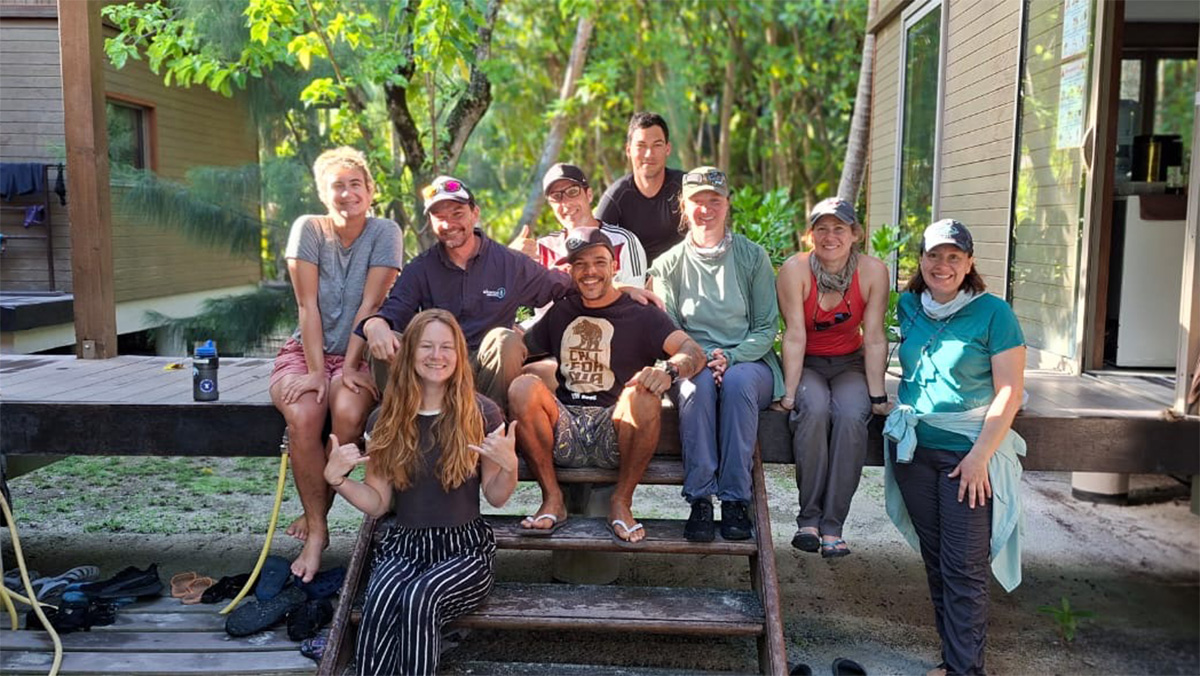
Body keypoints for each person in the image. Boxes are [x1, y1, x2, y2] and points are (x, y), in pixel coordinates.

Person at [361, 175, 660, 414]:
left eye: (457, 213)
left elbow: (569, 283)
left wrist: (622, 288)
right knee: (386, 340)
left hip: (487, 371)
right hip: (437, 364)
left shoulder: (509, 263)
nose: (449, 223)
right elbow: (394, 312)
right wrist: (375, 325)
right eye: (440, 216)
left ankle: (492, 426)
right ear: (431, 222)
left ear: (475, 213)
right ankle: (402, 428)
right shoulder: (420, 268)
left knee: (505, 339)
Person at [325, 309, 518, 676]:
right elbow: (378, 502)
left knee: (420, 598)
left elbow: (497, 496)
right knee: (380, 599)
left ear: (459, 355)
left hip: (463, 550)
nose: (437, 355)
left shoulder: (483, 413)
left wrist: (509, 464)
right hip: (405, 546)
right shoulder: (385, 418)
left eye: (447, 347)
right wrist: (338, 480)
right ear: (410, 352)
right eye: (427, 345)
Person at [883, 219, 1026, 676]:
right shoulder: (908, 306)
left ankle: (968, 669)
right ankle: (953, 662)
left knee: (964, 566)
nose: (942, 265)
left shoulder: (994, 313)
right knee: (937, 559)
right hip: (913, 451)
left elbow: (1010, 391)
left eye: (953, 257)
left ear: (969, 264)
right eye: (933, 255)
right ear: (920, 260)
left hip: (968, 453)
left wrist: (980, 456)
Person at [508, 228, 705, 543]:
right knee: (522, 387)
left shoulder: (642, 314)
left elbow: (693, 352)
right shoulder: (562, 310)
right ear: (570, 271)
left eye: (599, 262)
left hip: (613, 430)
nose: (590, 272)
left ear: (615, 265)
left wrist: (669, 369)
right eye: (580, 264)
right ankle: (552, 499)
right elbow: (520, 346)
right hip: (563, 428)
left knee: (642, 394)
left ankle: (621, 502)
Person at [270, 146, 402, 582]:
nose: (347, 194)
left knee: (346, 411)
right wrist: (314, 371)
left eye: (355, 184)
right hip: (303, 351)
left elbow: (373, 302)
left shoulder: (385, 232)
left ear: (371, 190)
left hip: (357, 352)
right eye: (337, 186)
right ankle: (318, 530)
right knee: (305, 413)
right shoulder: (308, 229)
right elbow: (306, 306)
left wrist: (347, 366)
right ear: (325, 195)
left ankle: (316, 513)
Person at [648, 167, 784, 542]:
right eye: (697, 201)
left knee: (738, 384)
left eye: (715, 201)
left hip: (749, 362)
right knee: (696, 388)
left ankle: (737, 500)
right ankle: (701, 499)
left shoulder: (752, 258)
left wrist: (732, 357)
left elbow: (766, 327)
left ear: (727, 205)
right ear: (683, 206)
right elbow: (668, 330)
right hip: (691, 362)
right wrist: (705, 358)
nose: (705, 209)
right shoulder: (668, 265)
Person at [776, 197, 891, 558]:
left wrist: (877, 396)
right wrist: (789, 394)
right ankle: (808, 519)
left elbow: (873, 336)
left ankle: (833, 525)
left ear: (855, 234)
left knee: (851, 416)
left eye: (839, 228)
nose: (830, 236)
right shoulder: (794, 270)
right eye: (821, 228)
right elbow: (794, 335)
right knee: (813, 410)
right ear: (809, 235)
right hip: (806, 362)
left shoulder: (873, 271)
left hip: (849, 363)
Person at [595, 112, 685, 263]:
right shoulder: (616, 197)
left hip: (682, 279)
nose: (649, 154)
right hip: (633, 282)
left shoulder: (686, 187)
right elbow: (595, 247)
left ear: (667, 149)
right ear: (629, 150)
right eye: (641, 146)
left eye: (657, 145)